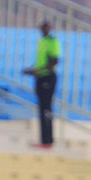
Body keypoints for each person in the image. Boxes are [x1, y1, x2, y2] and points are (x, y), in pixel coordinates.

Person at [23, 21, 61, 149]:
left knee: (46, 109)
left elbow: (54, 62)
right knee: (42, 109)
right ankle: (44, 140)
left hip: (48, 77)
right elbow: (41, 61)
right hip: (40, 77)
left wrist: (37, 71)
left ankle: (48, 141)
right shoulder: (42, 41)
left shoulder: (52, 42)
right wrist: (33, 70)